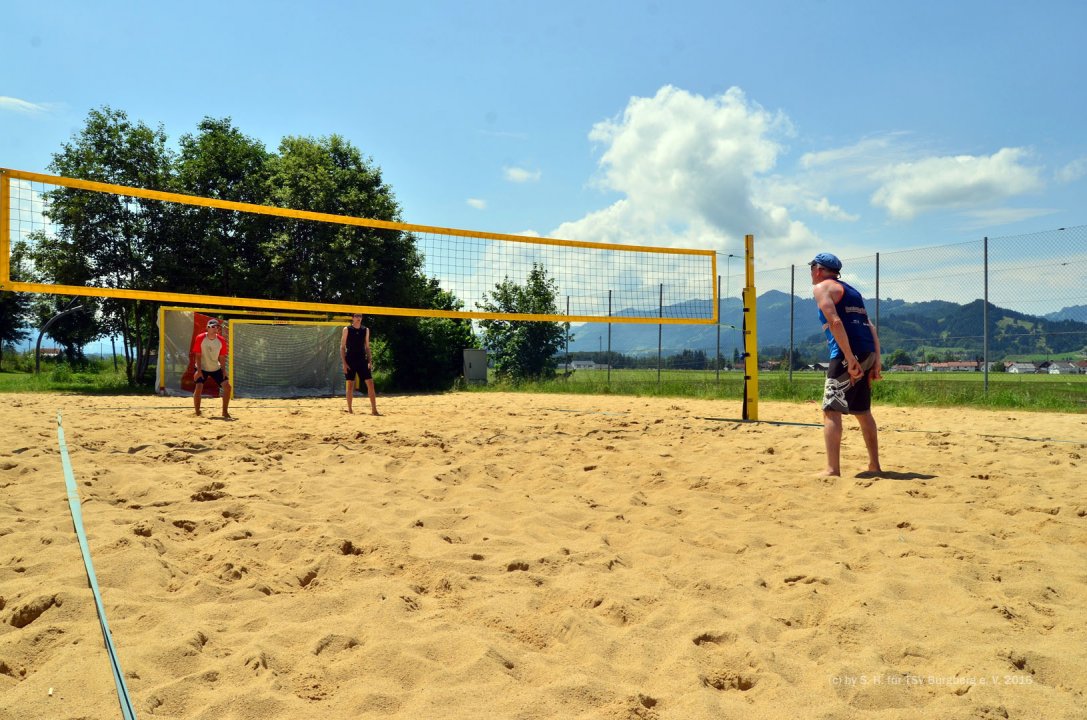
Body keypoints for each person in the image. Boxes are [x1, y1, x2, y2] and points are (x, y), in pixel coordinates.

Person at [810, 252, 882, 477]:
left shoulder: (822, 287)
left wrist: (849, 358)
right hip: (867, 350)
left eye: (811, 268)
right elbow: (869, 325)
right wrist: (877, 360)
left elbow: (835, 321)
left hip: (845, 353)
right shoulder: (853, 291)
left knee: (831, 410)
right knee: (863, 411)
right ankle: (874, 466)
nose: (811, 273)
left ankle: (832, 470)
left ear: (819, 269)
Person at [190, 318, 232, 419]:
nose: (214, 328)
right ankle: (197, 412)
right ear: (207, 328)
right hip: (202, 367)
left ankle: (224, 412)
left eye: (216, 327)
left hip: (215, 367)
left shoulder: (221, 340)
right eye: (212, 326)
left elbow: (222, 357)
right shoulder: (200, 338)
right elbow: (198, 356)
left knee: (228, 387)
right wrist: (199, 371)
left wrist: (224, 371)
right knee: (199, 386)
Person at [340, 313, 379, 415]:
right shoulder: (347, 329)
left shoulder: (365, 330)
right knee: (350, 384)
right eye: (356, 316)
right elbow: (342, 347)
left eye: (360, 316)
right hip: (350, 360)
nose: (358, 318)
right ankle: (350, 410)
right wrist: (344, 363)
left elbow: (367, 347)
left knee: (370, 383)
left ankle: (374, 409)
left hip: (362, 359)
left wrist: (370, 361)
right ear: (352, 318)